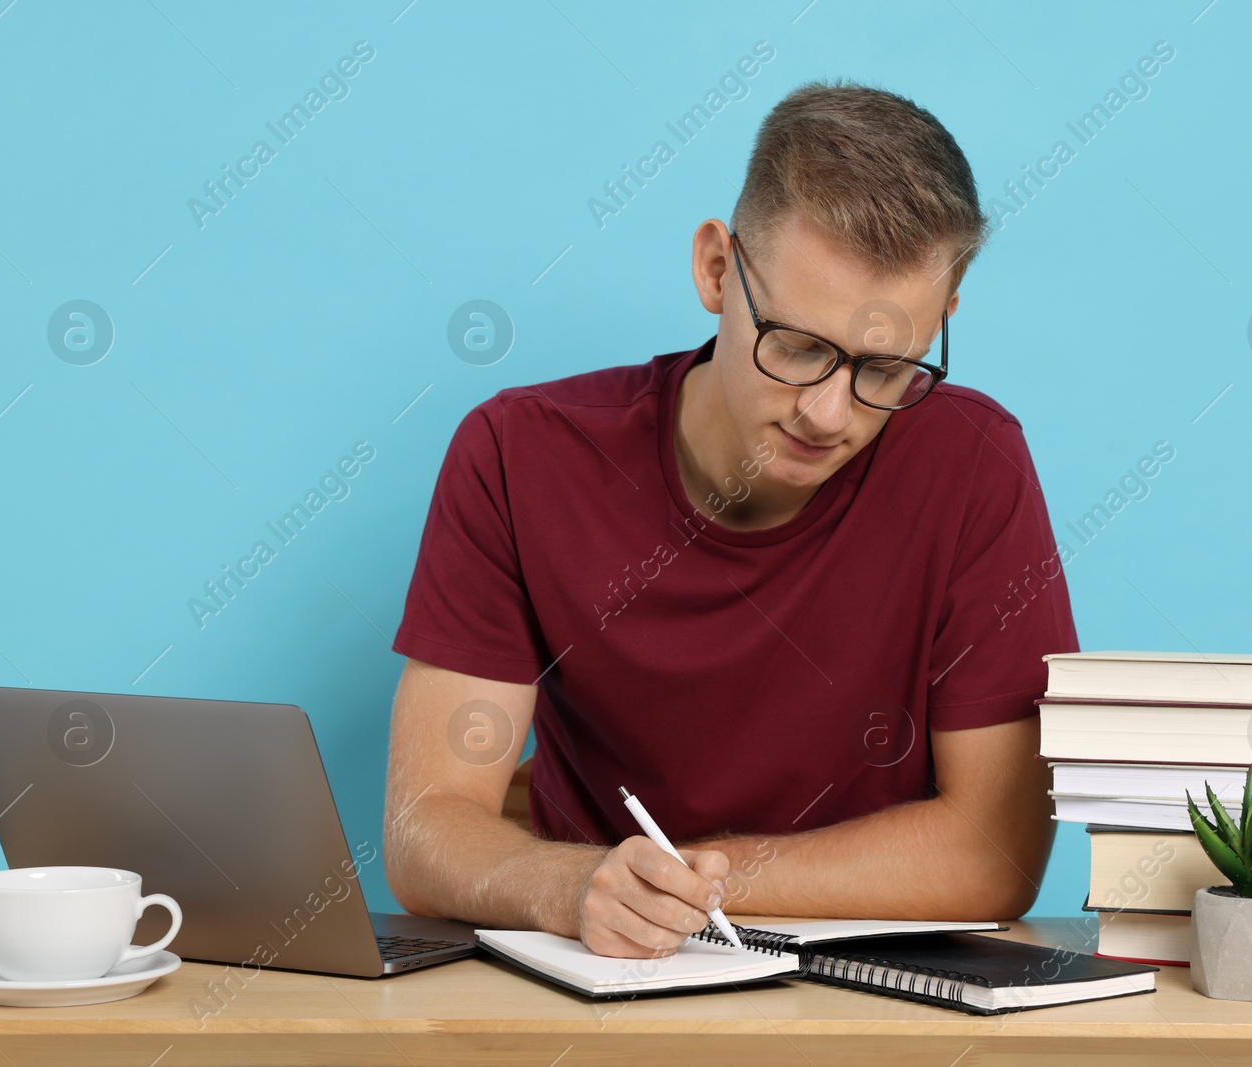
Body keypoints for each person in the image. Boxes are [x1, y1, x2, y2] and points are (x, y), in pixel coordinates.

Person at [383, 79, 1079, 959]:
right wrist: (573, 887)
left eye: (887, 366)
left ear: (946, 310)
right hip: (593, 978)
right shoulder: (518, 454)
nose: (829, 413)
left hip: (872, 999)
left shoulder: (975, 462)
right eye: (796, 346)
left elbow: (996, 852)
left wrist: (692, 881)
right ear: (717, 269)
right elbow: (426, 825)